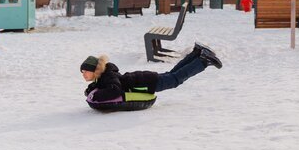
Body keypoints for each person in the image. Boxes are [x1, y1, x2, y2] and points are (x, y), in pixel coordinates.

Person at [82, 43, 222, 106]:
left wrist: (97, 95)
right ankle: (196, 53)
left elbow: (115, 90)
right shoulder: (104, 75)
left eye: (85, 72)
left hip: (147, 83)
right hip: (145, 78)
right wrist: (90, 90)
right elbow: (99, 85)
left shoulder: (108, 77)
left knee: (175, 79)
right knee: (172, 74)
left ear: (95, 70)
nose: (83, 75)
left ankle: (203, 61)